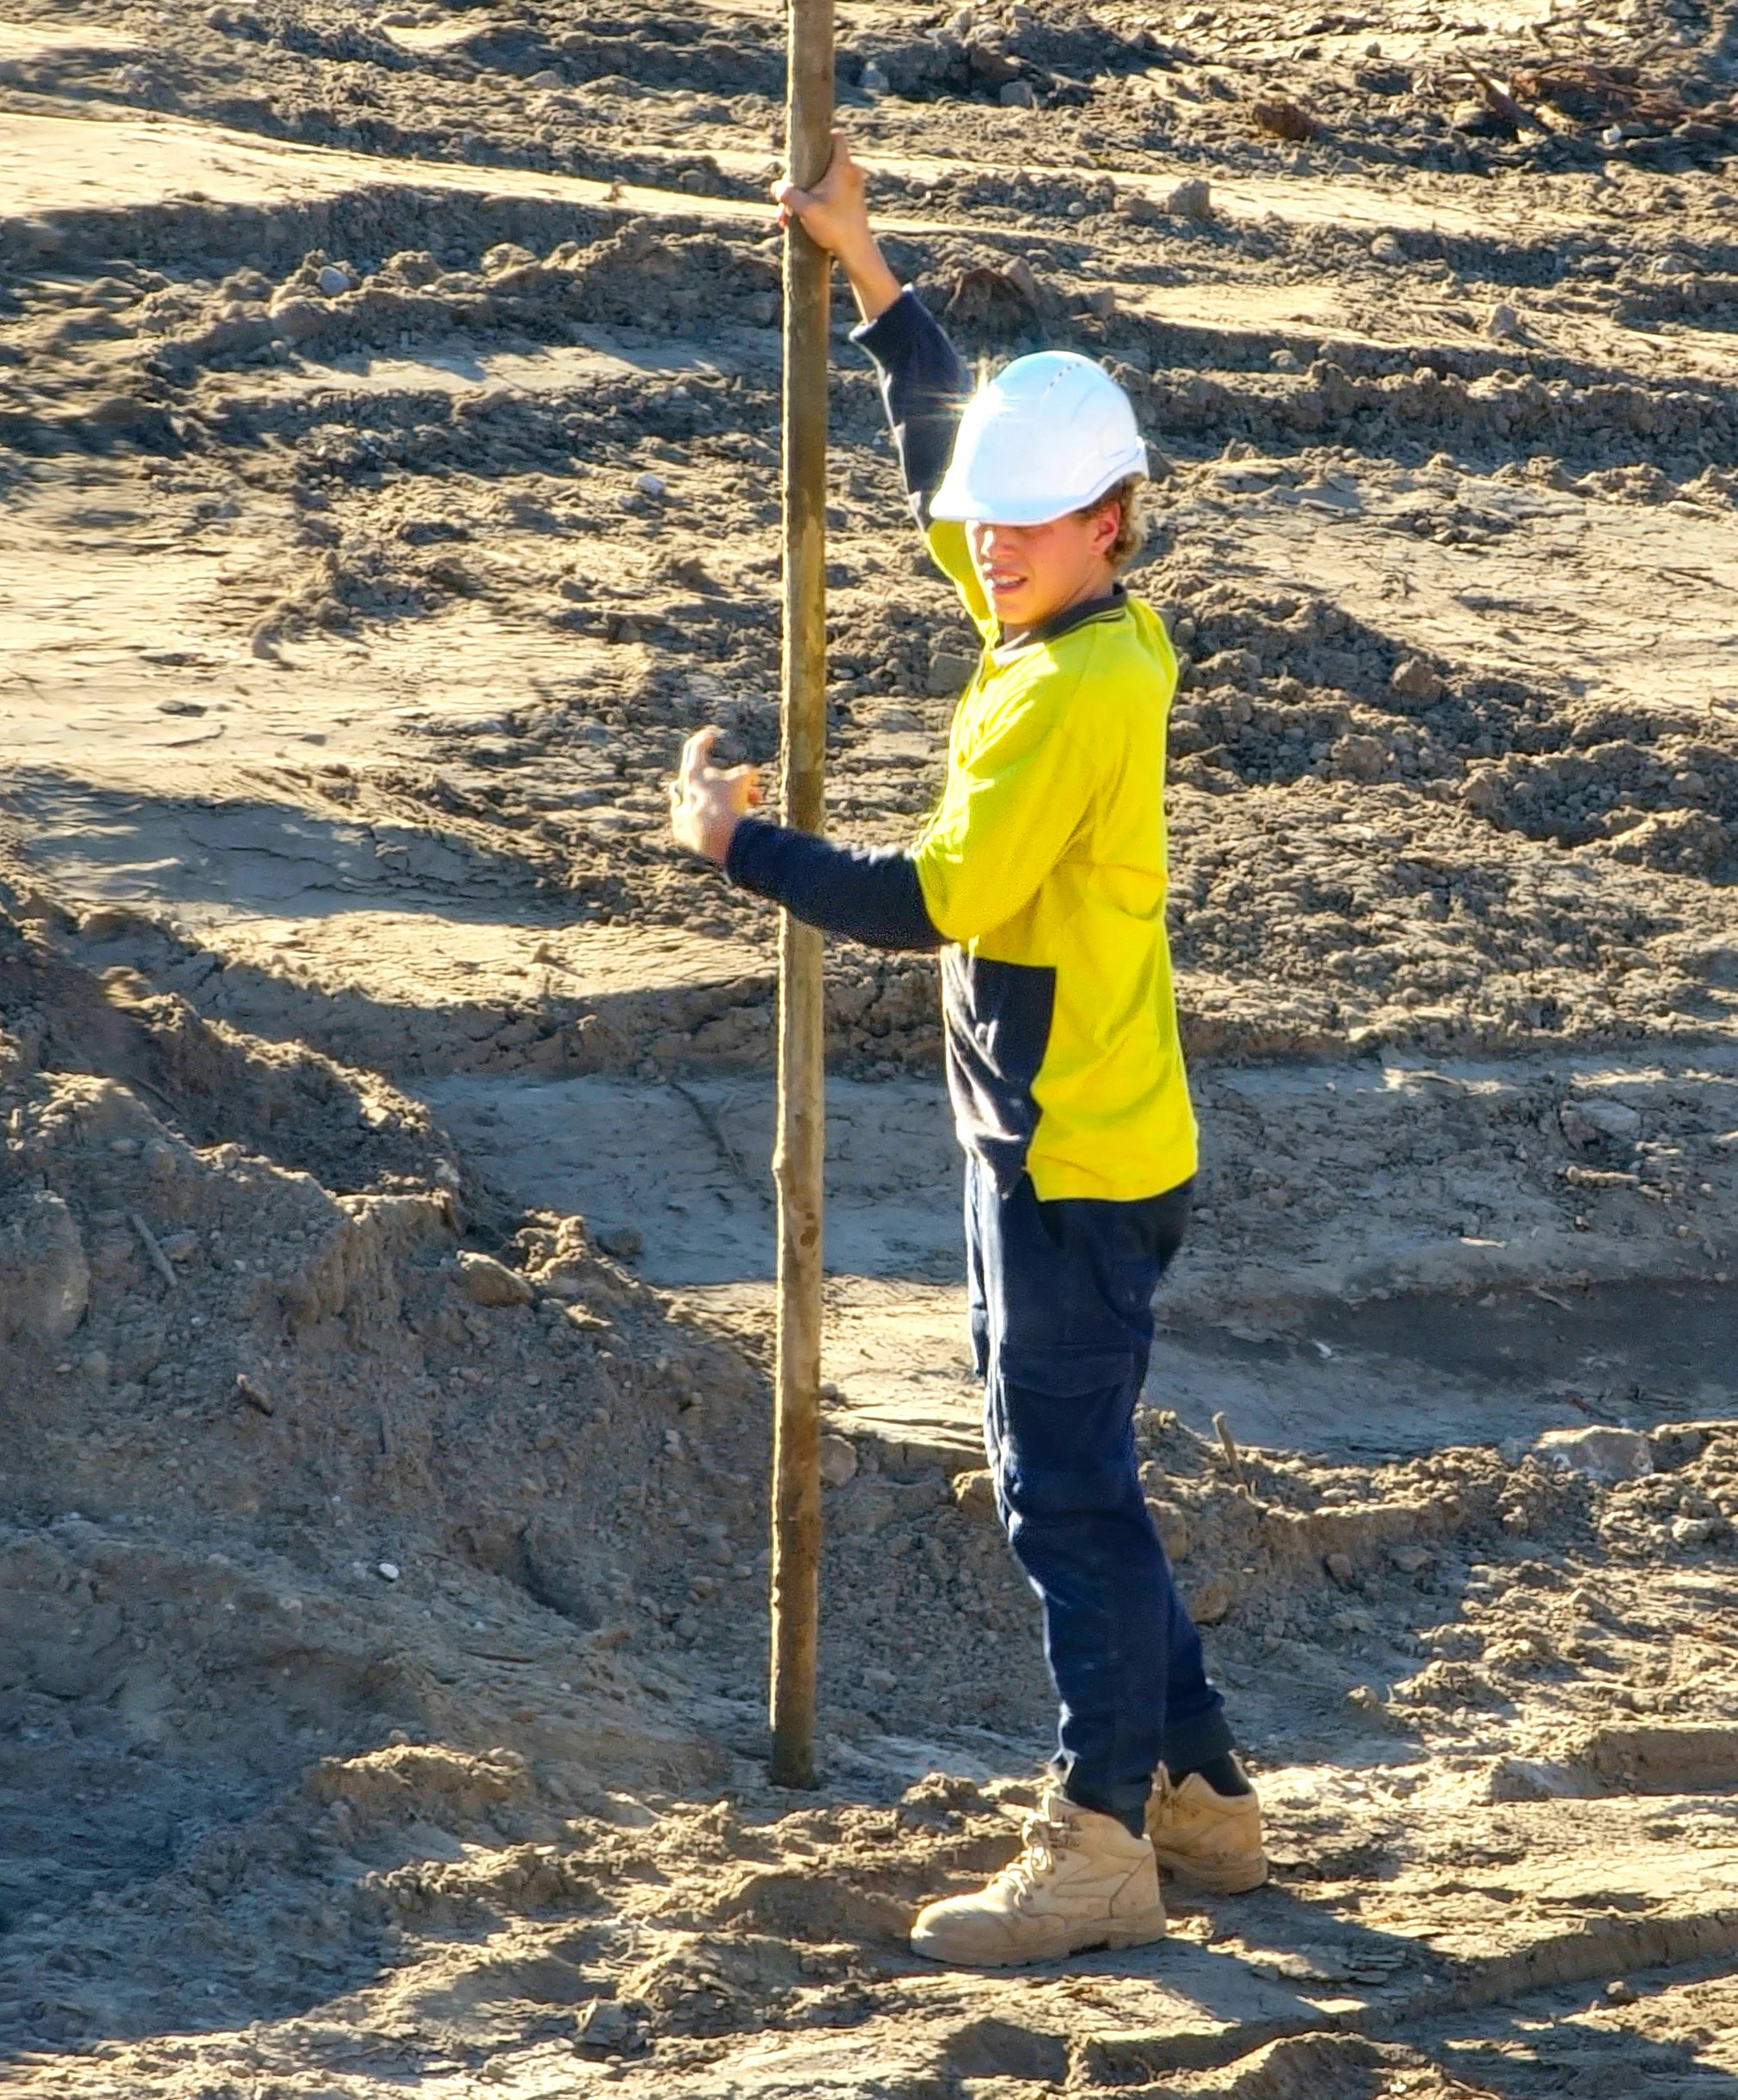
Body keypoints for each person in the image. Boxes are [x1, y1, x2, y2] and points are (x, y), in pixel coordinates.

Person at [665, 135, 1265, 1969]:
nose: (989, 547)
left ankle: (1098, 1842)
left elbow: (928, 900)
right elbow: (953, 458)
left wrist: (731, 848)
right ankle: (1201, 1800)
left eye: (1031, 522)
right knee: (1081, 1475)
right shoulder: (1072, 618)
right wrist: (868, 267)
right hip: (1084, 1137)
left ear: (1115, 516)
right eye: (992, 527)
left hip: (1070, 1159)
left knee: (1057, 1489)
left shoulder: (1063, 696)